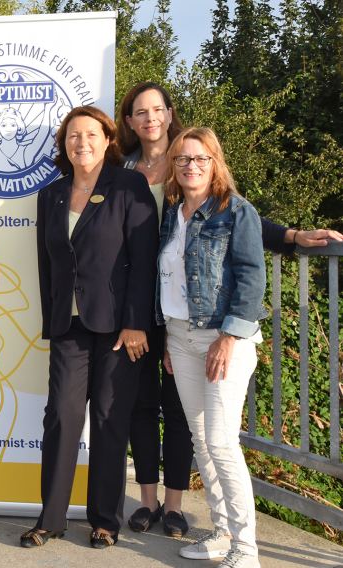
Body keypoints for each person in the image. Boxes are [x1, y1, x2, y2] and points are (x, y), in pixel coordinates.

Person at [117, 82, 343, 537]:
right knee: (141, 405)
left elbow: (234, 220)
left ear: (169, 113)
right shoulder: (121, 169)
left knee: (184, 415)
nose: (149, 118)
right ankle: (147, 501)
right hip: (144, 306)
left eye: (157, 109)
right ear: (128, 121)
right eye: (139, 111)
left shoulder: (193, 161)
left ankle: (177, 506)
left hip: (195, 313)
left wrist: (292, 237)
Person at [23, 106, 158, 550]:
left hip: (119, 328)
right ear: (64, 145)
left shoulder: (129, 186)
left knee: (108, 419)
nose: (81, 143)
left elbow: (143, 260)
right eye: (72, 136)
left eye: (90, 135)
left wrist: (137, 322)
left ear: (107, 140)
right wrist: (53, 320)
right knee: (61, 417)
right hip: (70, 325)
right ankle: (52, 518)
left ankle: (104, 519)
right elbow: (48, 266)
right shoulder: (51, 195)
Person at [157, 128, 264, 568]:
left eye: (199, 158)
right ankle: (221, 533)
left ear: (215, 161)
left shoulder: (236, 212)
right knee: (201, 441)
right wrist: (166, 335)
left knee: (221, 442)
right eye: (182, 158)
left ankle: (246, 549)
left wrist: (229, 336)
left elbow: (251, 276)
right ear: (173, 166)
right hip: (179, 337)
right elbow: (166, 277)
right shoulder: (172, 213)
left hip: (223, 338)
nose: (190, 165)